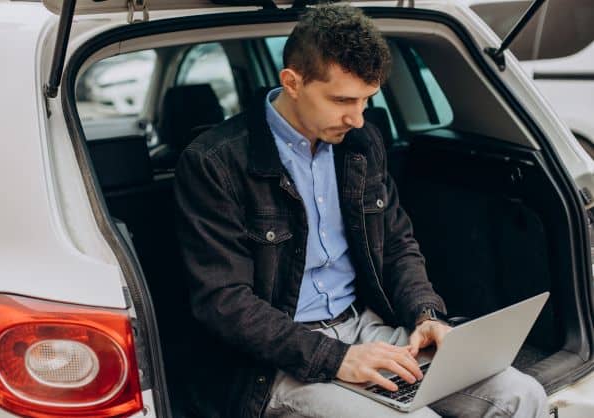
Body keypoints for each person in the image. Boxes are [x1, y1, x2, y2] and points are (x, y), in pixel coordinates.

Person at [174, 4, 547, 417]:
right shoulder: (214, 162)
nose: (357, 118)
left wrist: (425, 314)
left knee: (521, 394)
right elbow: (223, 302)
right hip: (274, 360)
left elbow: (396, 243)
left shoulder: (361, 144)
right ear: (292, 82)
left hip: (366, 326)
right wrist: (336, 359)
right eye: (342, 100)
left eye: (367, 100)